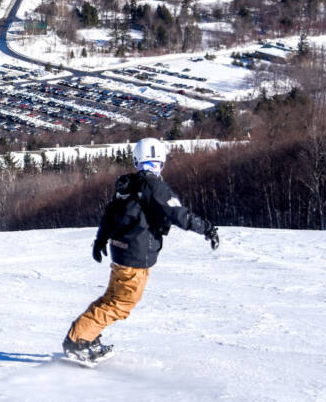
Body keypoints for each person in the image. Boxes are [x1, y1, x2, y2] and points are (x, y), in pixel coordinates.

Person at [63, 138, 219, 363]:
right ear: (161, 162)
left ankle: (87, 336)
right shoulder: (154, 186)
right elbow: (178, 214)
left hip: (121, 252)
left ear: (137, 160)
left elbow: (109, 214)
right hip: (135, 256)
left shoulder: (128, 185)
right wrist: (207, 228)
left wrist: (100, 240)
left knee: (111, 298)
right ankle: (78, 340)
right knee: (121, 304)